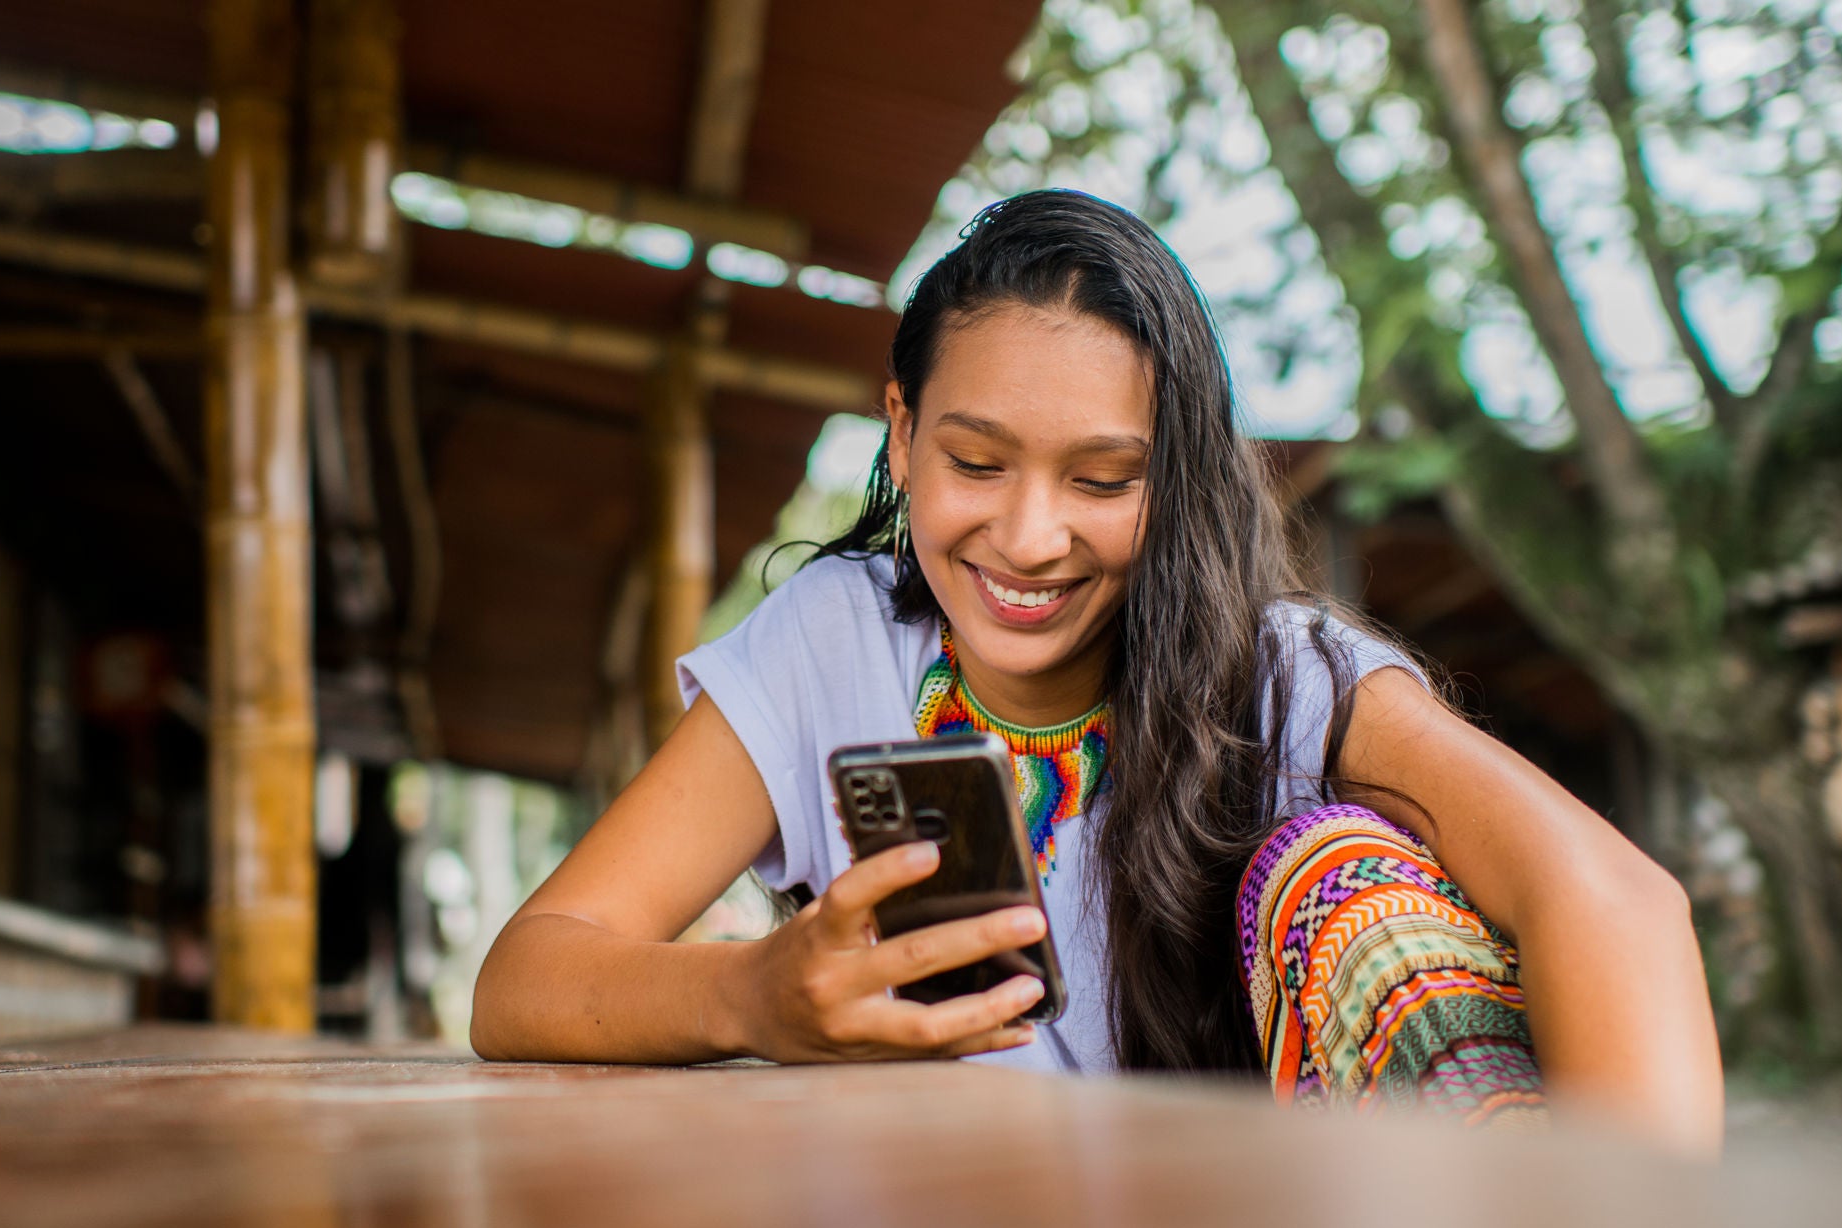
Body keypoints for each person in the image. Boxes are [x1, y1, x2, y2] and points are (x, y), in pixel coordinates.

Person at [471, 190, 1723, 1156]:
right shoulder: (832, 639)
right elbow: (528, 975)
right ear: (900, 435)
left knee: (1347, 880)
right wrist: (757, 993)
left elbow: (1613, 903)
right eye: (976, 460)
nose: (1026, 538)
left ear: (1171, 477)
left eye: (1101, 479)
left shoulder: (1286, 679)